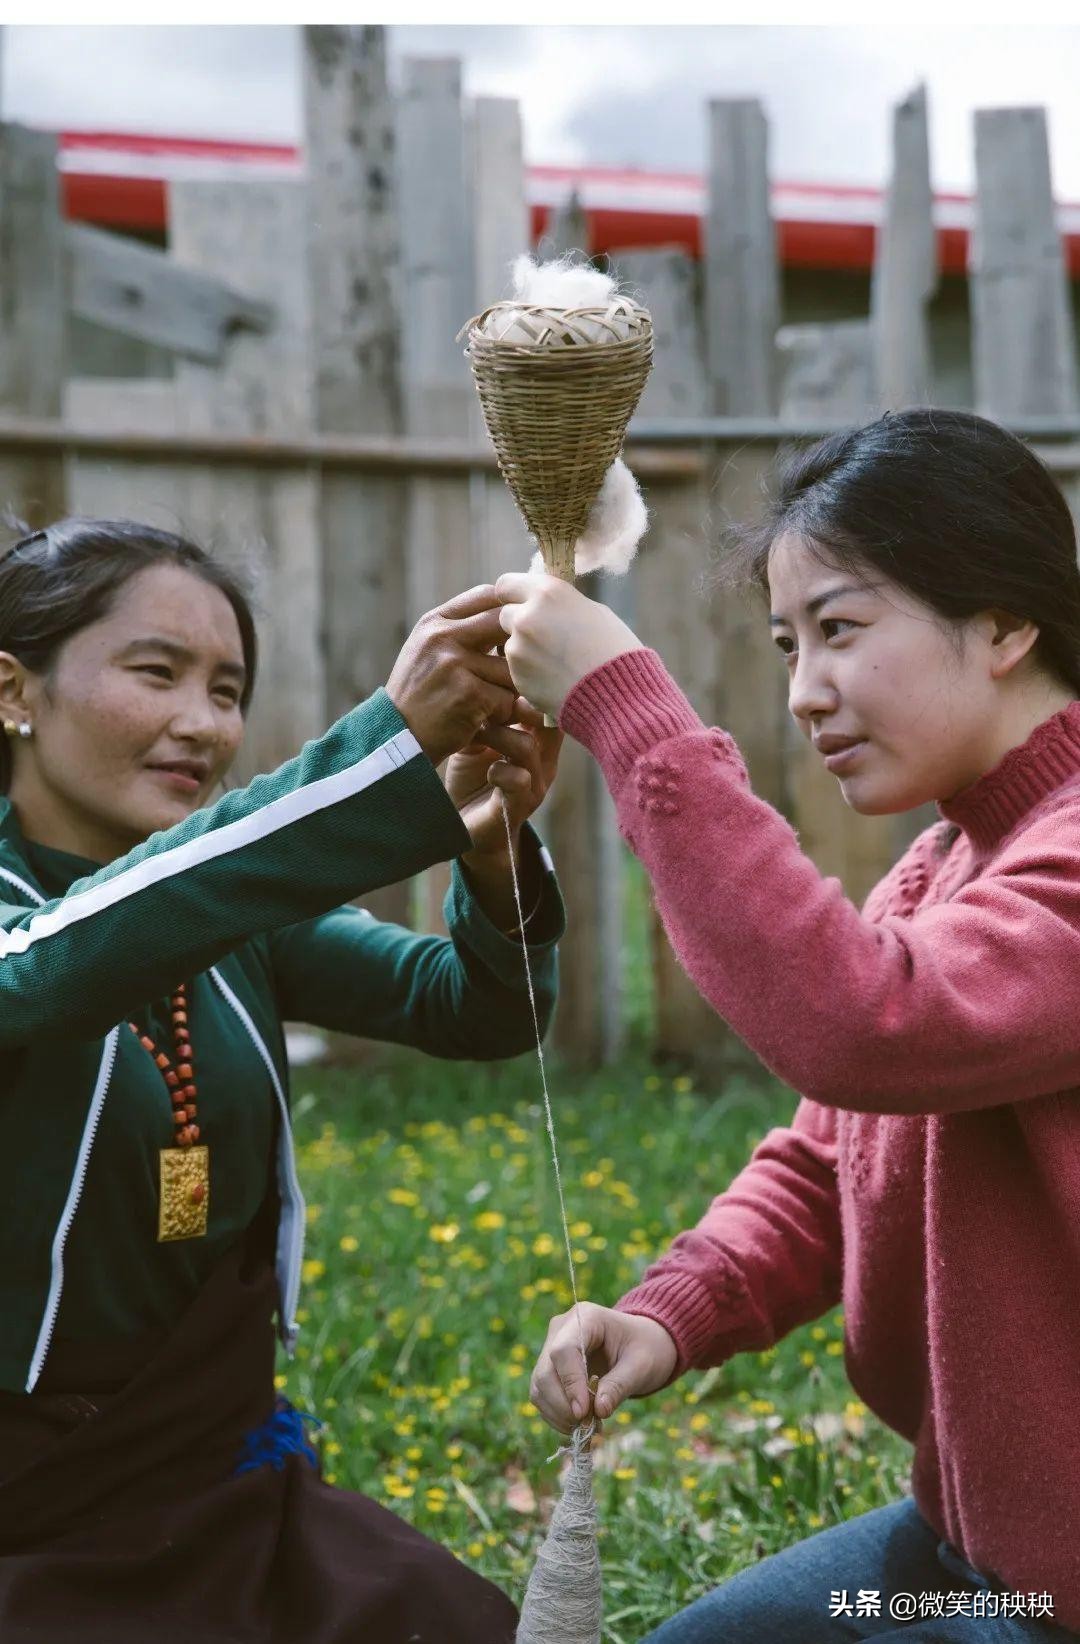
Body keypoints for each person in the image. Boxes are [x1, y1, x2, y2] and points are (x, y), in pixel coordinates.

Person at [499, 409, 1080, 1642]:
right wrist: (668, 1313)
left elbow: (868, 1023)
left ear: (1004, 624)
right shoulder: (942, 869)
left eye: (841, 629)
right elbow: (829, 1163)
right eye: (786, 644)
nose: (806, 692)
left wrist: (629, 714)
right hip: (964, 1545)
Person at [0, 516, 565, 1643]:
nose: (202, 724)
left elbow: (474, 1006)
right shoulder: (67, 922)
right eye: (156, 673)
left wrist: (491, 851)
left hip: (205, 1486)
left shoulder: (235, 919)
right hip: (28, 1515)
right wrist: (383, 748)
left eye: (227, 690)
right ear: (14, 691)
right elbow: (62, 964)